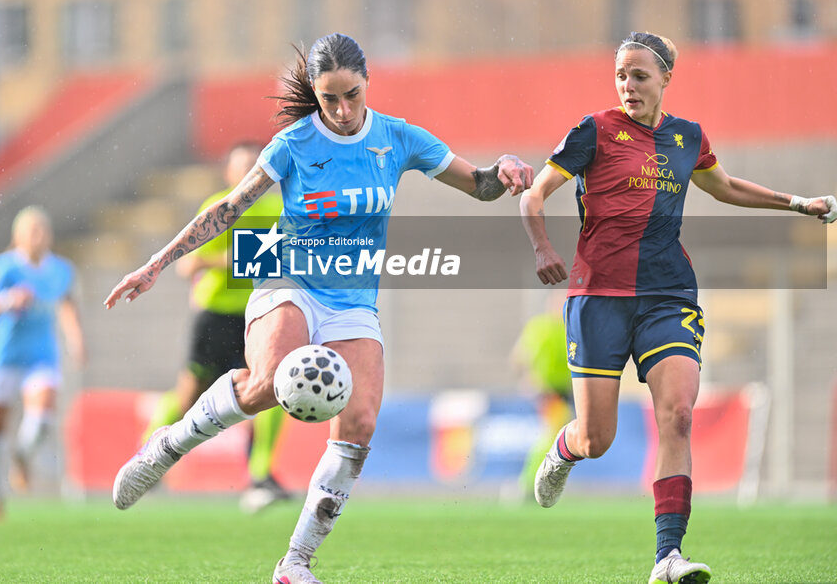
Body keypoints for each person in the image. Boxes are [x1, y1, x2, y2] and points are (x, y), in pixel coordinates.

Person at [104, 32, 534, 584]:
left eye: (351, 95)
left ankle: (295, 563)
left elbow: (478, 186)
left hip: (353, 298)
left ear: (367, 83)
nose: (342, 109)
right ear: (315, 92)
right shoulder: (292, 144)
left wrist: (503, 171)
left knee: (360, 422)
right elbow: (230, 210)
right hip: (290, 279)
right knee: (266, 384)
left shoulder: (399, 138)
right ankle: (167, 447)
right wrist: (156, 264)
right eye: (329, 98)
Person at [519, 31, 837, 584]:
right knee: (598, 438)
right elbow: (533, 193)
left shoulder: (688, 138)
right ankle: (565, 450)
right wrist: (544, 247)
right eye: (620, 75)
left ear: (666, 78)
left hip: (669, 296)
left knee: (679, 414)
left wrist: (797, 204)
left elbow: (727, 187)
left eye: (639, 76)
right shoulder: (594, 130)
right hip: (599, 298)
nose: (628, 86)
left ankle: (668, 556)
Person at [139, 141, 291, 513]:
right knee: (189, 398)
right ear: (228, 173)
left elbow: (284, 258)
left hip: (257, 316)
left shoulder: (278, 208)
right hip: (215, 317)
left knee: (272, 387)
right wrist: (246, 255)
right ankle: (145, 459)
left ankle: (260, 475)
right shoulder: (217, 208)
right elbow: (188, 266)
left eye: (254, 166)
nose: (247, 173)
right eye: (240, 166)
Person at [0, 205, 85, 522]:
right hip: (4, 356)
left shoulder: (61, 269)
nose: (38, 236)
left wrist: (76, 339)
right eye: (31, 230)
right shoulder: (5, 267)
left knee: (42, 419)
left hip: (41, 356)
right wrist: (8, 301)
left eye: (43, 229)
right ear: (18, 236)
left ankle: (21, 458)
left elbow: (68, 307)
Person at [511, 290, 572, 498]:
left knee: (553, 433)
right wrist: (531, 378)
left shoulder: (560, 328)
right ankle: (530, 482)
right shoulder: (547, 328)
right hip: (549, 391)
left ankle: (534, 481)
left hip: (558, 391)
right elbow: (519, 357)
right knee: (552, 435)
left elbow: (517, 358)